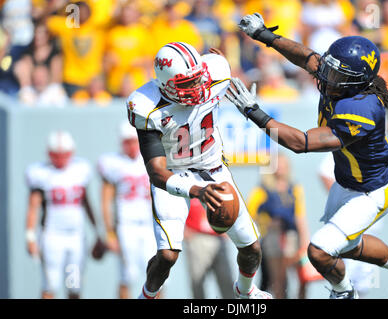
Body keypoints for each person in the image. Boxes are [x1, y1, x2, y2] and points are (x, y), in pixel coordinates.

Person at [225, 12, 388, 299]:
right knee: (347, 245)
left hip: (371, 192)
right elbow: (307, 57)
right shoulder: (342, 80)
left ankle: (345, 292)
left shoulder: (362, 108)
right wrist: (264, 34)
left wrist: (255, 113)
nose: (326, 75)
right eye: (330, 68)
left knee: (320, 251)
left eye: (337, 73)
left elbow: (301, 143)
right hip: (347, 182)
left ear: (355, 82)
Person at [126, 42, 271, 299]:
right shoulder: (145, 106)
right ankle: (147, 294)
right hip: (173, 173)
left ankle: (245, 292)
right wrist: (196, 190)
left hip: (213, 167)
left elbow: (219, 68)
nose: (196, 88)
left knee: (251, 248)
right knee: (167, 256)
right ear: (165, 84)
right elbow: (157, 172)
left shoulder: (215, 73)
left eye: (198, 79)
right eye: (186, 83)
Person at [24, 130, 100, 299]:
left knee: (73, 286)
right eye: (56, 155)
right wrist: (30, 237)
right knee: (50, 285)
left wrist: (97, 232)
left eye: (64, 154)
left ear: (71, 153)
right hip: (52, 237)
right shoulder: (41, 173)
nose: (60, 159)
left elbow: (87, 203)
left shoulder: (80, 170)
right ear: (49, 154)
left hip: (76, 237)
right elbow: (33, 206)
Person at [97, 121, 157, 299]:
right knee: (127, 275)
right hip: (126, 225)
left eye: (133, 141)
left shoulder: (151, 160)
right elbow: (105, 201)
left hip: (149, 224)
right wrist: (109, 233)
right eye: (127, 142)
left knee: (157, 274)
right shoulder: (113, 163)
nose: (131, 146)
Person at [247, 153, 319, 299]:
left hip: (291, 236)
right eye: (277, 165)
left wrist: (305, 242)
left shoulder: (294, 188)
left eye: (283, 164)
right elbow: (249, 213)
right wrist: (267, 222)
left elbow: (300, 216)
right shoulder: (262, 190)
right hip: (272, 238)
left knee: (303, 276)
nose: (280, 168)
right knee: (278, 280)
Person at [318, 152, 384, 298]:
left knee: (363, 282)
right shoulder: (349, 145)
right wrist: (345, 200)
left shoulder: (380, 145)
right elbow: (324, 172)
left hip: (371, 225)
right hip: (350, 223)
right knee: (347, 278)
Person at [183, 198, 234, 299]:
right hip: (197, 237)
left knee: (226, 281)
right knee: (197, 283)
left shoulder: (220, 186)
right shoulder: (188, 185)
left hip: (218, 238)